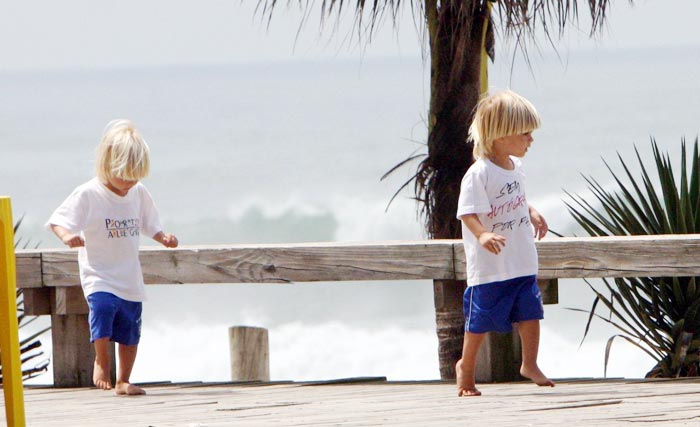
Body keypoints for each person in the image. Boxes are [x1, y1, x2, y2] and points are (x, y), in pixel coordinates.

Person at [46, 119, 178, 396]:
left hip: (129, 275)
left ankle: (124, 380)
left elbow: (149, 222)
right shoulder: (89, 193)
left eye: (135, 176)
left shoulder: (138, 193)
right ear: (106, 165)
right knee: (103, 311)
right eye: (124, 176)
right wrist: (67, 236)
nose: (129, 183)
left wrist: (162, 237)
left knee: (130, 330)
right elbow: (59, 220)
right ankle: (102, 362)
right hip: (99, 274)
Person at [455, 90, 555, 397]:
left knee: (531, 313)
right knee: (479, 323)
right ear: (500, 135)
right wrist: (482, 234)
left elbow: (516, 200)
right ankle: (466, 370)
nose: (530, 140)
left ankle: (530, 363)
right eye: (525, 133)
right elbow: (467, 213)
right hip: (491, 267)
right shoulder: (479, 174)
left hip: (521, 259)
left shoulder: (516, 168)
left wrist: (532, 211)